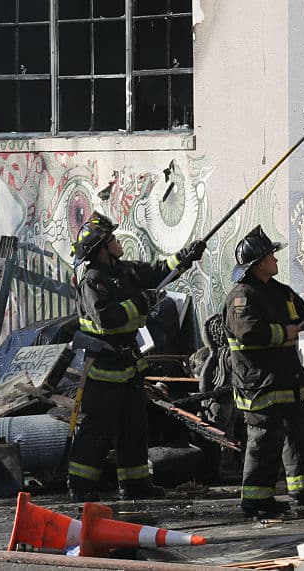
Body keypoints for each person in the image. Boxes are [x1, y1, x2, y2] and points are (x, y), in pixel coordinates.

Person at [67, 212, 205, 502]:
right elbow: (108, 318)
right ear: (101, 248)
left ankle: (136, 485)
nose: (118, 242)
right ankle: (80, 486)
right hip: (103, 370)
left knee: (134, 428)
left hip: (128, 366)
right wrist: (143, 301)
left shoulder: (124, 271)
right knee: (97, 430)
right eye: (112, 239)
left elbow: (156, 271)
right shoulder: (93, 280)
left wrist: (185, 257)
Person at [224, 225, 304, 518]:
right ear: (258, 263)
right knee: (264, 440)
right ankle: (255, 501)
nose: (276, 260)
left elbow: (302, 318)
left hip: (286, 379)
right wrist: (284, 332)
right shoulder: (242, 295)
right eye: (271, 256)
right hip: (259, 383)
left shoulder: (280, 292)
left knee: (301, 432)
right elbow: (248, 332)